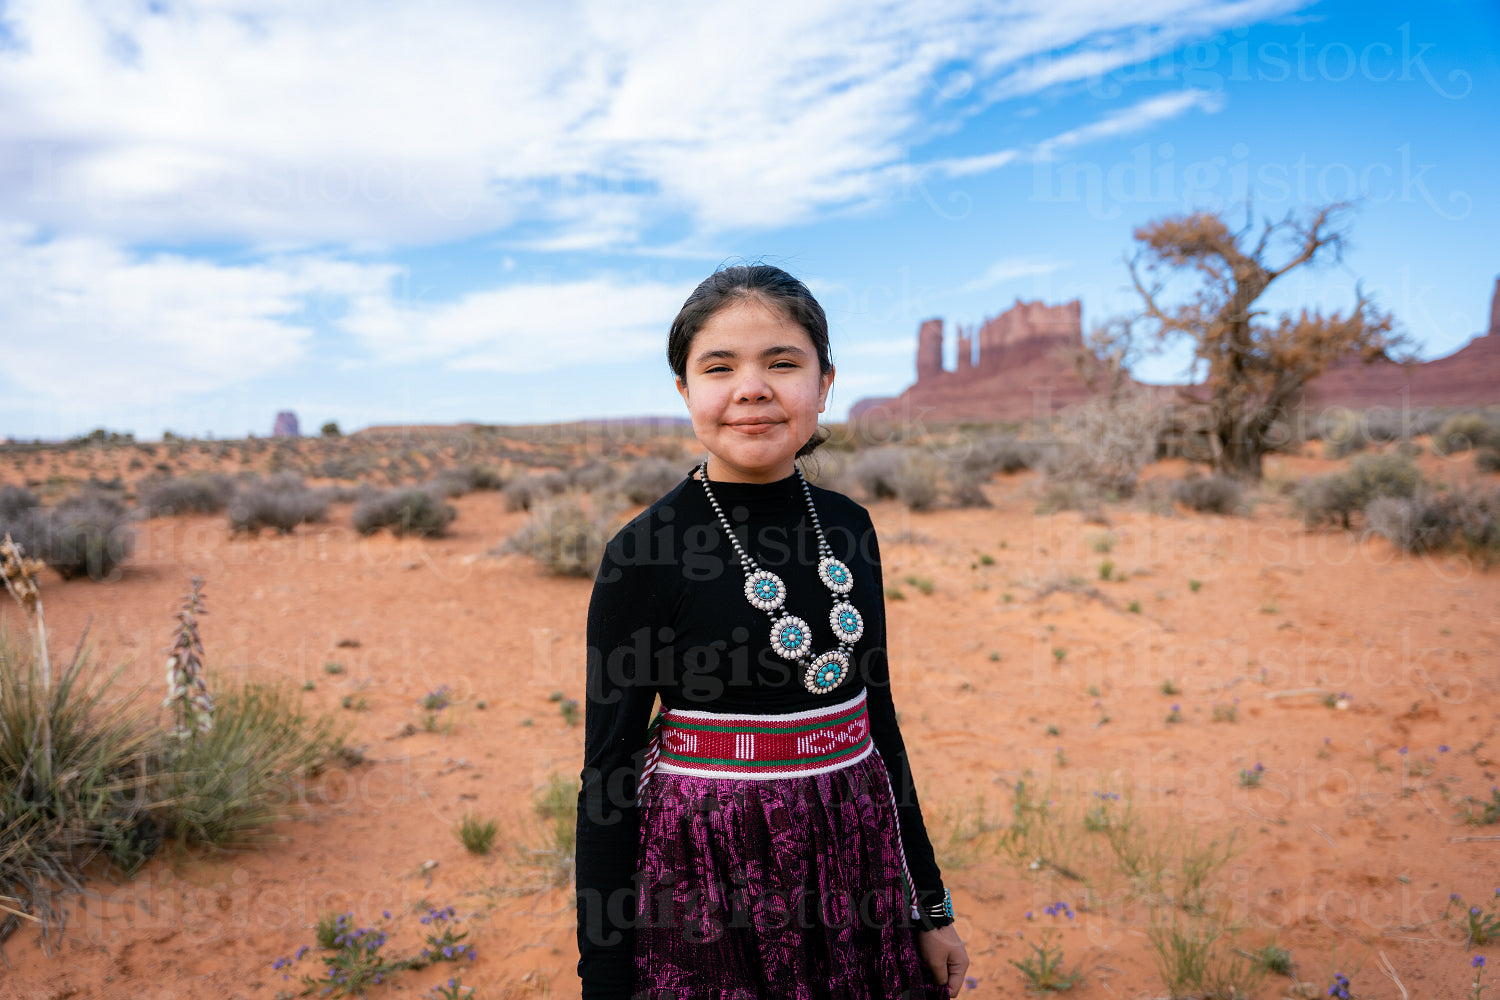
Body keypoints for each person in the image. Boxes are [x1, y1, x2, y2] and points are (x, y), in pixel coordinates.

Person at [576, 264, 969, 1000]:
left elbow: (880, 724)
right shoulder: (644, 553)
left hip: (857, 860)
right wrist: (603, 980)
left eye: (782, 363)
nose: (751, 388)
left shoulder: (849, 527)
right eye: (718, 367)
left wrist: (931, 905)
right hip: (704, 881)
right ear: (685, 391)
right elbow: (608, 775)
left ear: (823, 385)